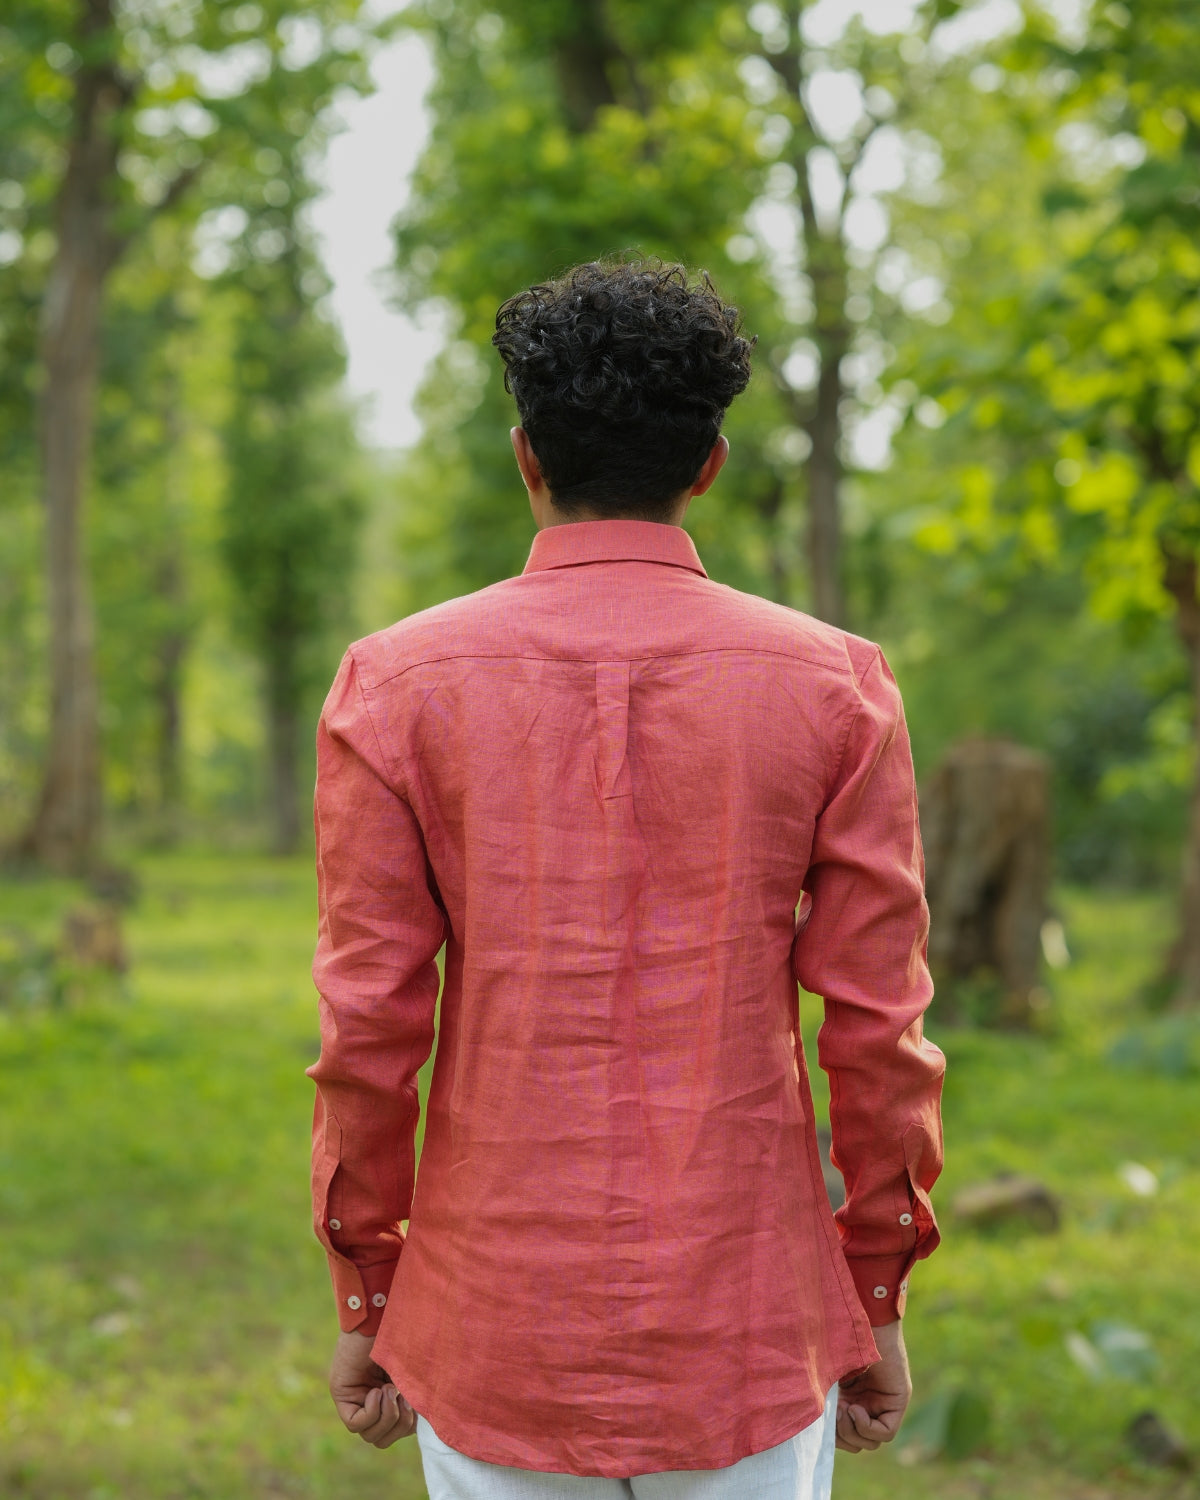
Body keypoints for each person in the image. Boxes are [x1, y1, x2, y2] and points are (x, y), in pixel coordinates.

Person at [307, 257, 945, 1499]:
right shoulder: (838, 687)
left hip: (488, 1320)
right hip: (750, 1323)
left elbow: (370, 1024)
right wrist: (875, 1290)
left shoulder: (393, 685)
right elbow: (880, 1029)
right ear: (708, 462)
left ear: (525, 454)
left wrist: (366, 1289)